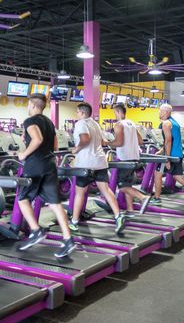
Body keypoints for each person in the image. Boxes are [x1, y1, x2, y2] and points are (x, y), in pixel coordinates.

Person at [16, 93, 75, 258]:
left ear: (33, 106)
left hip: (35, 165)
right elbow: (54, 144)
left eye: (29, 105)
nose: (28, 108)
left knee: (23, 199)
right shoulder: (49, 122)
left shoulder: (29, 121)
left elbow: (38, 139)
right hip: (50, 165)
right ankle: (68, 239)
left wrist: (23, 154)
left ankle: (36, 230)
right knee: (55, 203)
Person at [70, 102, 126, 234]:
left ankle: (74, 222)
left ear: (83, 113)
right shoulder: (95, 124)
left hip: (86, 164)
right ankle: (118, 215)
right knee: (106, 190)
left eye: (77, 112)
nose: (76, 114)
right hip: (100, 161)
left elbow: (84, 138)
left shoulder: (81, 123)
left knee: (80, 193)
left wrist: (76, 149)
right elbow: (102, 141)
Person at [152, 103, 184, 209]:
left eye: (160, 110)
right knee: (178, 176)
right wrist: (161, 151)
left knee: (158, 174)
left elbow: (168, 141)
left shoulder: (166, 123)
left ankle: (157, 198)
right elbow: (173, 139)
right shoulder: (174, 123)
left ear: (165, 112)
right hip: (177, 154)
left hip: (171, 155)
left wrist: (167, 158)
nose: (159, 112)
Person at [108, 103, 152, 216]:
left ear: (118, 112)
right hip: (135, 158)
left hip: (125, 159)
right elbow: (141, 141)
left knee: (122, 186)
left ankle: (143, 197)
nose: (114, 115)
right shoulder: (132, 123)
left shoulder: (118, 125)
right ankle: (130, 209)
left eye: (114, 112)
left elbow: (119, 142)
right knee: (128, 185)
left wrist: (106, 143)